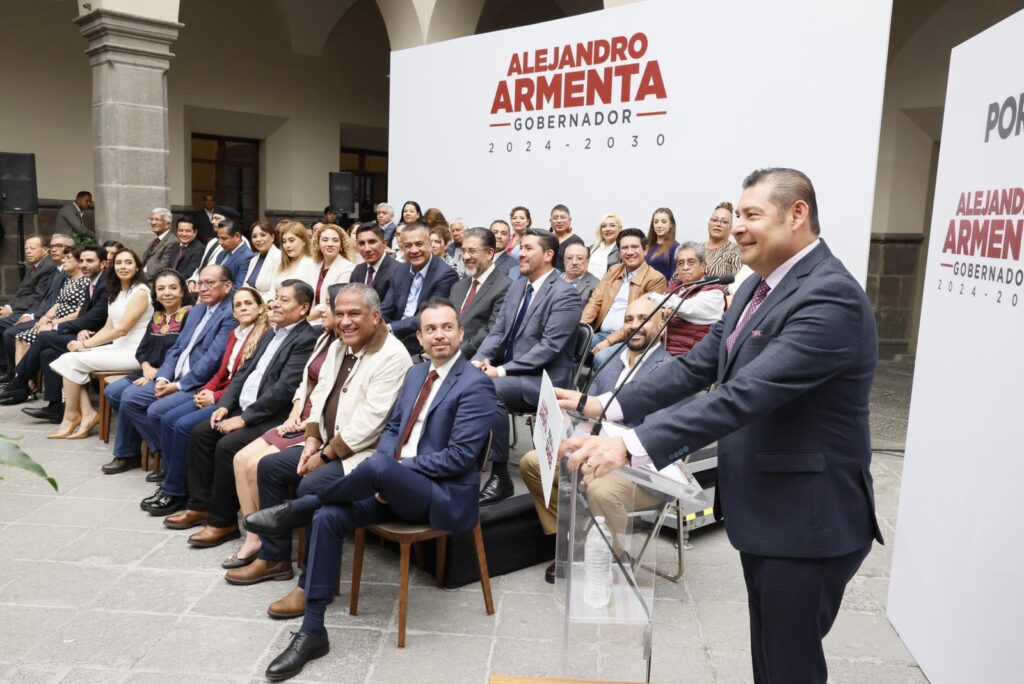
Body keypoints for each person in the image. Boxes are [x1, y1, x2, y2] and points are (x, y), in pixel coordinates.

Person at [559, 168, 884, 684]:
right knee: (771, 657)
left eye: (753, 215)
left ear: (797, 213)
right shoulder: (758, 283)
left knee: (789, 666)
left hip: (808, 521)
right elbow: (699, 366)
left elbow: (742, 396)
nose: (737, 228)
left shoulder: (829, 298)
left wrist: (630, 445)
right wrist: (604, 406)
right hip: (769, 511)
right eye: (738, 216)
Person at [244, 299, 496, 681]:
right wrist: (389, 477)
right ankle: (313, 630)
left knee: (375, 466)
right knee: (330, 516)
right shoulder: (415, 375)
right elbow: (392, 429)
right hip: (393, 487)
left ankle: (299, 507)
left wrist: (393, 472)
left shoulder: (476, 385)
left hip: (439, 497)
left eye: (447, 327)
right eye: (431, 329)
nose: (439, 335)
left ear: (461, 333)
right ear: (421, 337)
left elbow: (460, 458)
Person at [230, 283, 410, 596]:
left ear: (376, 316)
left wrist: (324, 456)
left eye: (354, 313)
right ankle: (274, 559)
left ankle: (312, 586)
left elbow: (371, 423)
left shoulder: (393, 356)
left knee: (312, 485)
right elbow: (320, 392)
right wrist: (311, 440)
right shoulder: (341, 345)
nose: (345, 321)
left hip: (362, 454)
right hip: (326, 444)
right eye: (339, 313)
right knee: (269, 467)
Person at [521, 297, 688, 582]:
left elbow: (660, 436)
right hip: (596, 453)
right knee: (532, 462)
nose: (636, 326)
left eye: (644, 319)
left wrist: (604, 454)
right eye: (629, 319)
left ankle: (617, 552)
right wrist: (564, 421)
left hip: (645, 468)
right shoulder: (609, 362)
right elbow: (591, 416)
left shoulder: (673, 370)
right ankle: (574, 540)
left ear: (662, 324)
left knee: (600, 490)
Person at [169, 280, 317, 547]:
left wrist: (244, 418)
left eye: (284, 300)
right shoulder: (271, 332)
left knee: (227, 446)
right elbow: (243, 372)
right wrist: (225, 404)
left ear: (304, 308)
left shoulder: (306, 338)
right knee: (201, 432)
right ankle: (200, 506)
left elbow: (284, 390)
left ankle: (222, 522)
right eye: (276, 297)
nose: (275, 304)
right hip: (243, 406)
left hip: (272, 416)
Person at [222, 282, 341, 568]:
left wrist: (306, 423)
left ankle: (270, 545)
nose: (321, 309)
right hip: (301, 416)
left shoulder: (339, 342)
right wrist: (295, 412)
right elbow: (306, 382)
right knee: (240, 459)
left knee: (257, 465)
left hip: (318, 425)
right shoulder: (325, 338)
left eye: (328, 305)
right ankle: (254, 536)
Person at [472, 229, 582, 505]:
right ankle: (463, 468)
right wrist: (480, 360)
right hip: (508, 372)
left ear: (548, 255)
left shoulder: (565, 295)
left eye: (528, 248)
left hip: (544, 381)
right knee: (463, 379)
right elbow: (497, 331)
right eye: (520, 247)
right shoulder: (518, 286)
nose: (520, 253)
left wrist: (502, 370)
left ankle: (500, 477)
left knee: (491, 388)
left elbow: (548, 348)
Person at [143, 286, 269, 516]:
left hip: (232, 399)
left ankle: (178, 491)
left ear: (261, 308)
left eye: (248, 303)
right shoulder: (236, 333)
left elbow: (244, 379)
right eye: (238, 305)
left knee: (183, 426)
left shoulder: (262, 336)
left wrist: (216, 396)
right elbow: (222, 371)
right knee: (168, 418)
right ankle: (173, 483)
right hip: (218, 391)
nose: (243, 308)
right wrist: (206, 389)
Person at [107, 264, 236, 474]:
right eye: (200, 283)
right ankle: (161, 454)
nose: (202, 288)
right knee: (129, 398)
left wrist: (177, 385)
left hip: (197, 382)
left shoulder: (228, 313)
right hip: (173, 375)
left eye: (209, 283)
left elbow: (212, 359)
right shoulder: (199, 309)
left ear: (228, 285)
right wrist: (163, 379)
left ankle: (170, 462)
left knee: (149, 407)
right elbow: (176, 348)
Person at [48, 248, 153, 440]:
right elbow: (108, 326)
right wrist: (85, 343)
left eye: (128, 262)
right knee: (68, 359)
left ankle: (72, 416)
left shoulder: (141, 292)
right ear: (112, 266)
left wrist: (85, 346)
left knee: (70, 361)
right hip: (118, 347)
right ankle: (86, 413)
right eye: (119, 263)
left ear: (137, 267)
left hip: (135, 352)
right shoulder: (117, 292)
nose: (123, 267)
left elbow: (122, 330)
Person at [102, 269, 192, 474]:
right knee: (112, 392)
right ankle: (153, 445)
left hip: (170, 374)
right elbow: (142, 350)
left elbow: (183, 353)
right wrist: (145, 367)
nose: (167, 292)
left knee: (128, 397)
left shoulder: (189, 315)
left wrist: (158, 372)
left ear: (182, 290)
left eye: (172, 287)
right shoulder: (157, 316)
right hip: (147, 370)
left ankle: (129, 454)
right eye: (161, 288)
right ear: (156, 294)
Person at [1, 246, 107, 415]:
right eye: (82, 261)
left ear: (103, 264)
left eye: (90, 261)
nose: (84, 265)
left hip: (99, 339)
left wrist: (55, 325)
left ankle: (20, 382)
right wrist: (49, 320)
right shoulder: (93, 282)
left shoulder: (103, 285)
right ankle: (55, 407)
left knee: (44, 337)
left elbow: (93, 318)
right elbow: (85, 316)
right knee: (47, 353)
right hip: (84, 332)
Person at [586, 228, 667, 365]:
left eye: (634, 247)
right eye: (624, 248)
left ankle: (600, 387)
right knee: (571, 344)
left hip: (632, 338)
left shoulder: (656, 279)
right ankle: (568, 385)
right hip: (601, 333)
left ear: (645, 250)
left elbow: (642, 321)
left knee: (602, 358)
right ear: (619, 252)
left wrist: (609, 341)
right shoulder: (613, 270)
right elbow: (595, 301)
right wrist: (582, 329)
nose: (629, 252)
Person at [380, 222, 459, 355]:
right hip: (393, 337)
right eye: (408, 246)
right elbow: (386, 307)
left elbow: (428, 316)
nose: (414, 250)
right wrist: (374, 322)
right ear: (402, 247)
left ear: (429, 243)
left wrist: (388, 328)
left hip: (421, 341)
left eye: (419, 244)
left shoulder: (445, 274)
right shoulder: (401, 270)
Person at [1, 235, 73, 375]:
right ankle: (15, 376)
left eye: (58, 246)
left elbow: (47, 300)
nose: (54, 249)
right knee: (12, 331)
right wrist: (10, 307)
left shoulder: (58, 270)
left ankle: (15, 375)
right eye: (52, 246)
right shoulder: (56, 269)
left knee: (11, 332)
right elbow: (24, 293)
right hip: (41, 314)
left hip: (52, 318)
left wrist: (33, 315)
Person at [11, 246, 89, 369]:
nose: (63, 261)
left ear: (79, 262)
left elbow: (80, 311)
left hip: (67, 324)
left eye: (68, 258)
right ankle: (20, 377)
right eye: (63, 258)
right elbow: (58, 303)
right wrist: (45, 317)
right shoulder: (69, 280)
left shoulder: (86, 282)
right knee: (19, 338)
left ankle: (24, 379)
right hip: (53, 320)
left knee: (26, 339)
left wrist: (53, 322)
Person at [648, 241, 726, 356]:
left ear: (703, 266)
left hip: (691, 356)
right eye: (680, 263)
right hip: (661, 352)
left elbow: (688, 308)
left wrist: (651, 296)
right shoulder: (674, 287)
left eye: (691, 262)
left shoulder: (714, 292)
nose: (685, 267)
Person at [449, 227, 511, 357]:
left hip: (473, 358)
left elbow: (491, 330)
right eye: (463, 251)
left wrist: (456, 353)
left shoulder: (506, 286)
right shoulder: (458, 286)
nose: (465, 257)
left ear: (489, 253)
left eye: (471, 251)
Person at [307, 223, 355, 325]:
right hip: (309, 321)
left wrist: (303, 320)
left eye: (335, 240)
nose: (330, 244)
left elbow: (333, 301)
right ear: (318, 244)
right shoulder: (312, 266)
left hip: (329, 323)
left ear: (341, 245)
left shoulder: (348, 268)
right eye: (325, 240)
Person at [350, 223, 398, 301]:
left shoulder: (397, 271)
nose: (367, 249)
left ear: (384, 243)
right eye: (362, 243)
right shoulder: (358, 270)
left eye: (372, 242)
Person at [273, 220, 319, 296]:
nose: (287, 245)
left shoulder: (311, 264)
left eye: (291, 240)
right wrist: (270, 301)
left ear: (304, 241)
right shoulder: (280, 263)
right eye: (284, 241)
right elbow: (272, 289)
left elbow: (311, 294)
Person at [243, 219, 282, 302]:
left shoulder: (279, 257)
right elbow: (245, 286)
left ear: (272, 237)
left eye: (263, 235)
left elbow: (274, 292)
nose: (258, 239)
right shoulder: (253, 259)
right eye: (254, 236)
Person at [704, 200, 744, 279]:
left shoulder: (737, 252)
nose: (718, 224)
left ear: (731, 227)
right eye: (714, 220)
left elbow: (740, 286)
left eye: (724, 222)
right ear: (708, 224)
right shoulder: (694, 249)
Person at [212, 216, 254, 288]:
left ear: (237, 236)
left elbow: (238, 287)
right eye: (219, 238)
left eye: (224, 238)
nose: (220, 242)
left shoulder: (247, 257)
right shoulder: (221, 254)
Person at [141, 208, 180, 279]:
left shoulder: (172, 242)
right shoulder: (155, 241)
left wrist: (141, 278)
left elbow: (163, 268)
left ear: (167, 224)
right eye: (151, 219)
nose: (153, 223)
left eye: (157, 219)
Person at [644, 207, 679, 282]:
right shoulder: (646, 245)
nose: (659, 225)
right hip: (642, 290)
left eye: (664, 222)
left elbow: (674, 278)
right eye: (656, 222)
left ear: (671, 225)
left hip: (661, 291)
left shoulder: (675, 247)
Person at [549, 204, 584, 272]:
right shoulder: (545, 240)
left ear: (570, 220)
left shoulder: (576, 241)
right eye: (555, 218)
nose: (559, 221)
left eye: (562, 217)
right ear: (550, 221)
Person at [588, 212, 622, 279]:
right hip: (587, 287)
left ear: (620, 228)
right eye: (603, 226)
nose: (607, 229)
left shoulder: (622, 249)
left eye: (612, 225)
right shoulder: (592, 248)